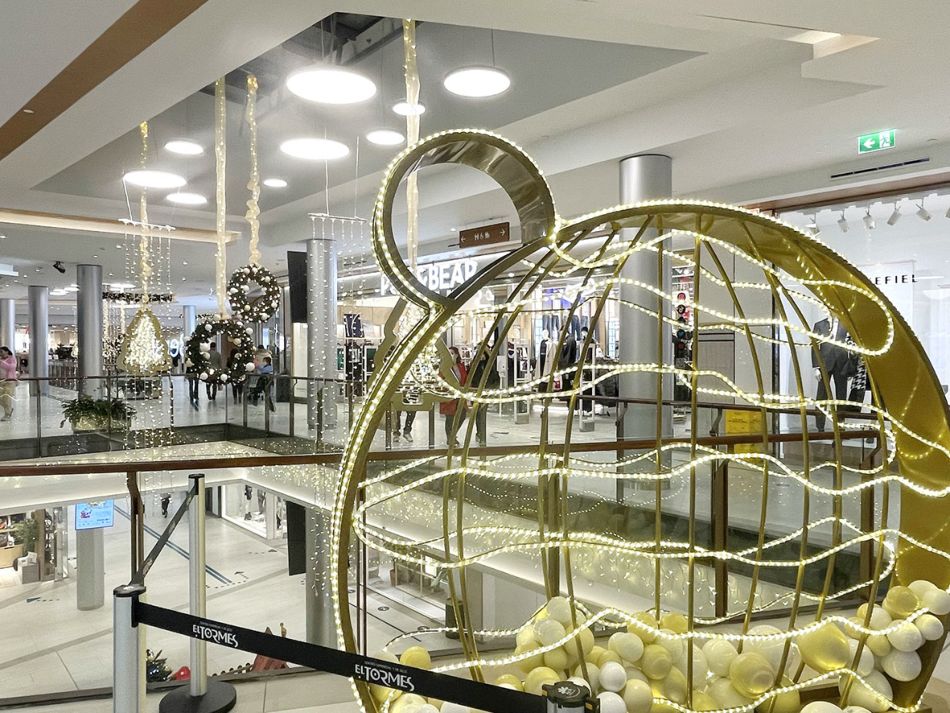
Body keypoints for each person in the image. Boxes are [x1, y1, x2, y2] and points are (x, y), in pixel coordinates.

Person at [470, 350, 499, 446]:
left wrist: (491, 389)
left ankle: (481, 433)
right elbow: (471, 378)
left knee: (482, 413)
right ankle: (480, 433)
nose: (482, 356)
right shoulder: (475, 366)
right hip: (476, 393)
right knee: (478, 414)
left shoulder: (489, 366)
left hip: (486, 393)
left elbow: (495, 378)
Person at [440, 346, 468, 446]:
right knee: (450, 418)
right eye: (449, 353)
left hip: (460, 395)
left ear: (456, 355)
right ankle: (450, 438)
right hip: (450, 395)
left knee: (462, 415)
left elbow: (465, 379)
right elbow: (440, 379)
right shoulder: (444, 367)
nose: (450, 356)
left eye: (452, 353)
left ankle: (453, 435)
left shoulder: (461, 366)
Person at [0, 347, 18, 422]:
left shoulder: (12, 359)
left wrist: (1, 362)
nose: (0, 353)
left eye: (1, 351)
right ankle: (9, 409)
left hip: (9, 381)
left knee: (6, 398)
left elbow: (11, 367)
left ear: (7, 351)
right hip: (1, 381)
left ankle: (7, 414)